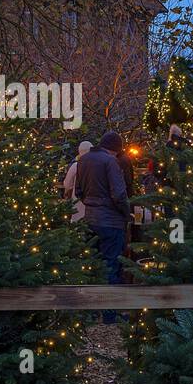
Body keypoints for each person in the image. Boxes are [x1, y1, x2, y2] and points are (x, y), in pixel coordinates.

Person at [75, 131, 130, 307]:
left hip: (89, 218)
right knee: (111, 265)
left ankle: (91, 310)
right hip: (111, 221)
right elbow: (119, 194)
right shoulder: (111, 161)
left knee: (92, 265)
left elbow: (78, 191)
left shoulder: (82, 160)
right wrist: (126, 213)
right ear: (115, 149)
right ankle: (109, 312)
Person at [61, 140, 92, 223]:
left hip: (78, 205)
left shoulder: (76, 166)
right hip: (95, 210)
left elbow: (67, 184)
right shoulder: (99, 165)